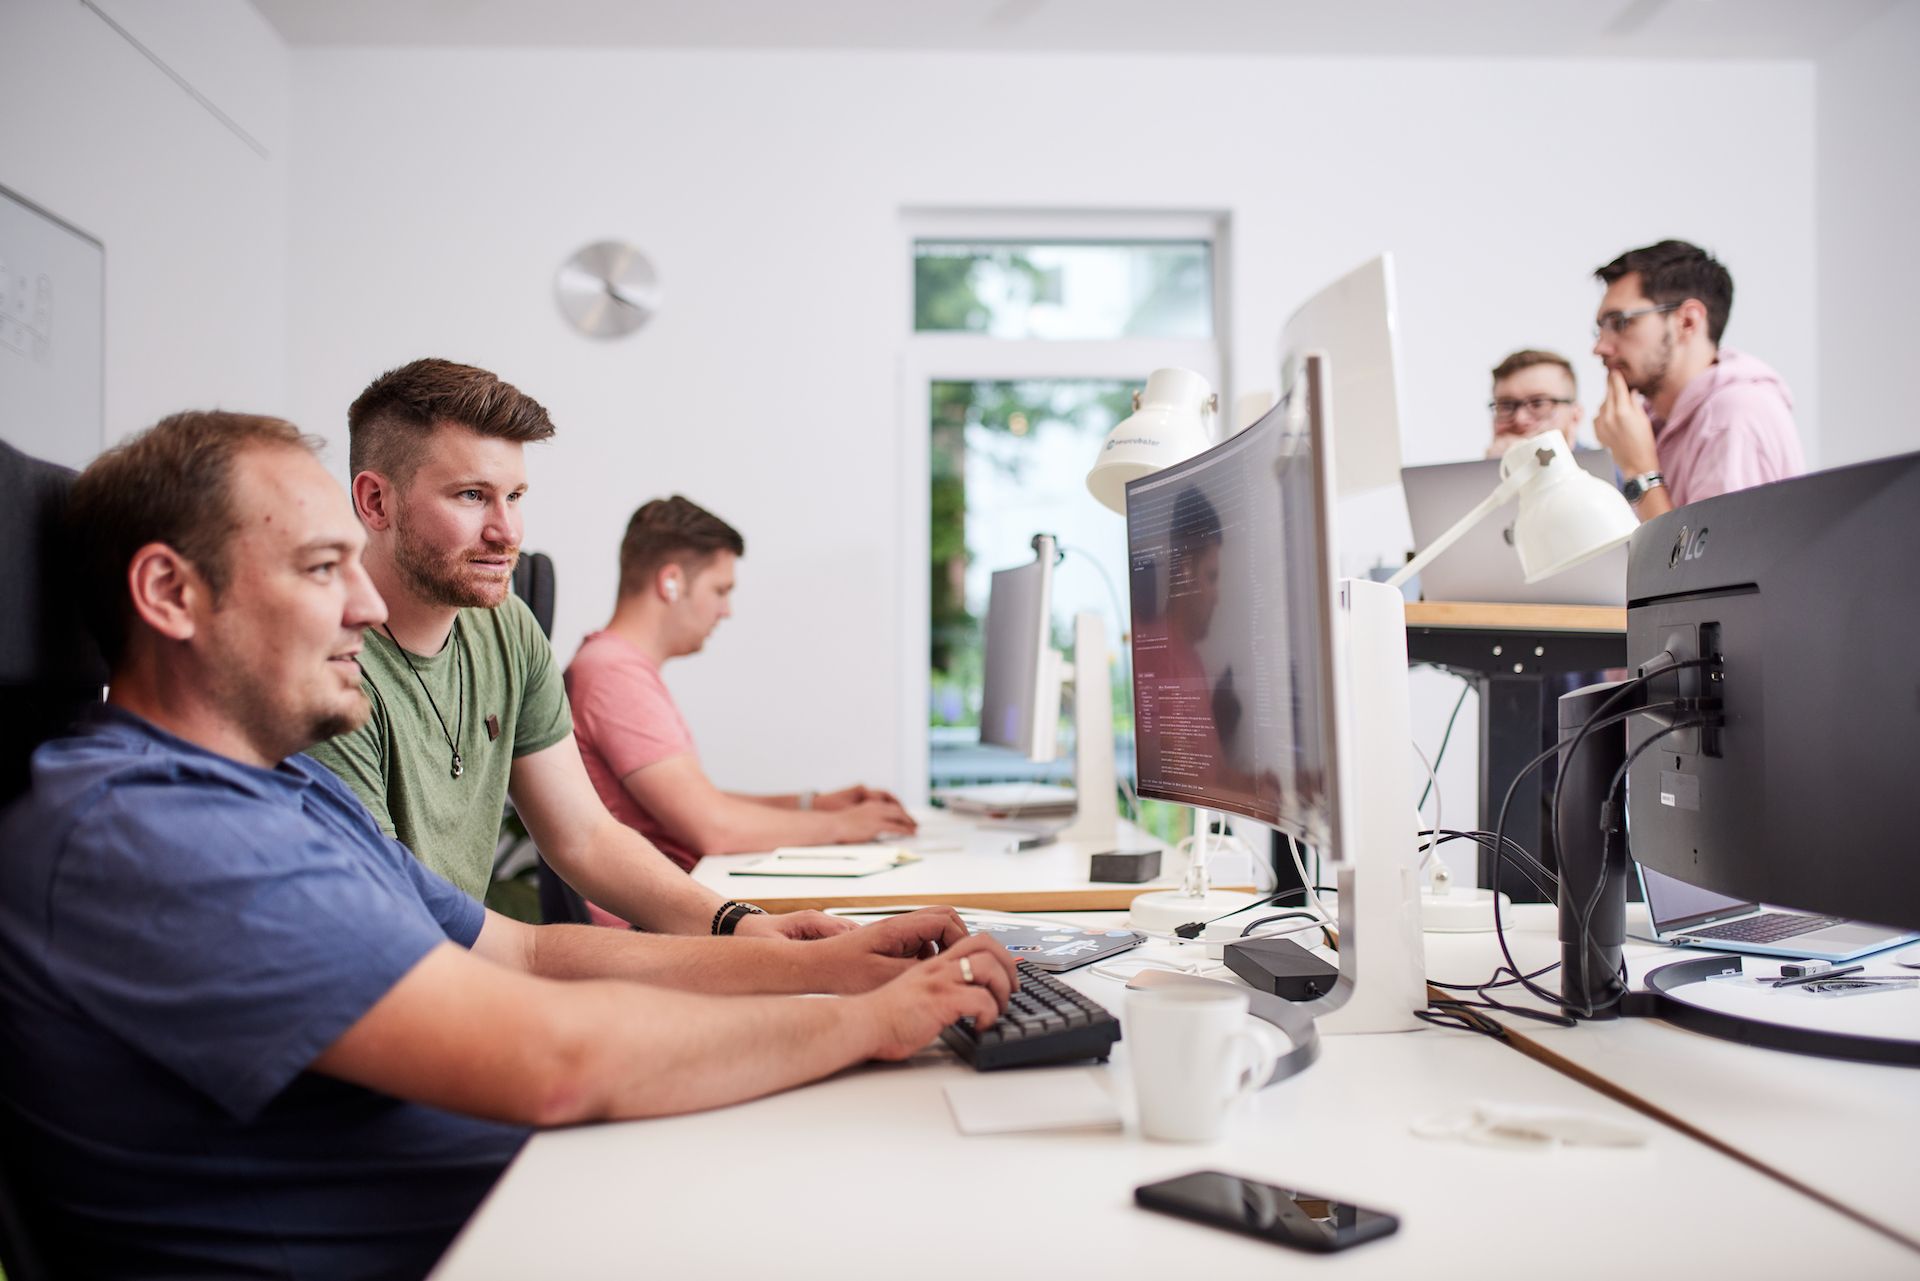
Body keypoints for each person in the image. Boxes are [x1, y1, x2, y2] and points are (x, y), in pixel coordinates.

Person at [0, 411, 1017, 1278]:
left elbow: (524, 949)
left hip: (519, 1206)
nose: (365, 603)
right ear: (170, 594)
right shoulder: (146, 833)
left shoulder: (284, 784)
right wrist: (872, 1022)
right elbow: (555, 1060)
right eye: (322, 568)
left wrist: (822, 969)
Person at [305, 359, 847, 939]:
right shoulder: (329, 663)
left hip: (465, 979)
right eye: (471, 496)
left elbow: (585, 837)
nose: (507, 531)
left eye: (514, 496)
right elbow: (393, 931)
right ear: (375, 502)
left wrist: (737, 926)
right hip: (394, 995)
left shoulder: (508, 626)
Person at [565, 497, 915, 923]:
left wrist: (812, 805)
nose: (726, 610)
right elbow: (714, 825)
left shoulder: (614, 667)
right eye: (720, 590)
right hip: (654, 932)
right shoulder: (612, 675)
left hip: (674, 914)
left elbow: (696, 800)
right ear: (671, 582)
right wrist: (845, 827)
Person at [1589, 239, 1803, 520]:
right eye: (1600, 329)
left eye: (1620, 322)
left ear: (1687, 322)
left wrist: (1640, 472)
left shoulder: (1733, 417)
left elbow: (1717, 564)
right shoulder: (1649, 425)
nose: (1600, 348)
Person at [1483, 349, 1584, 459]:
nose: (1520, 419)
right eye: (1506, 406)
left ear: (1575, 416)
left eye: (1538, 404)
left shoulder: (1604, 471)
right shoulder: (1477, 473)